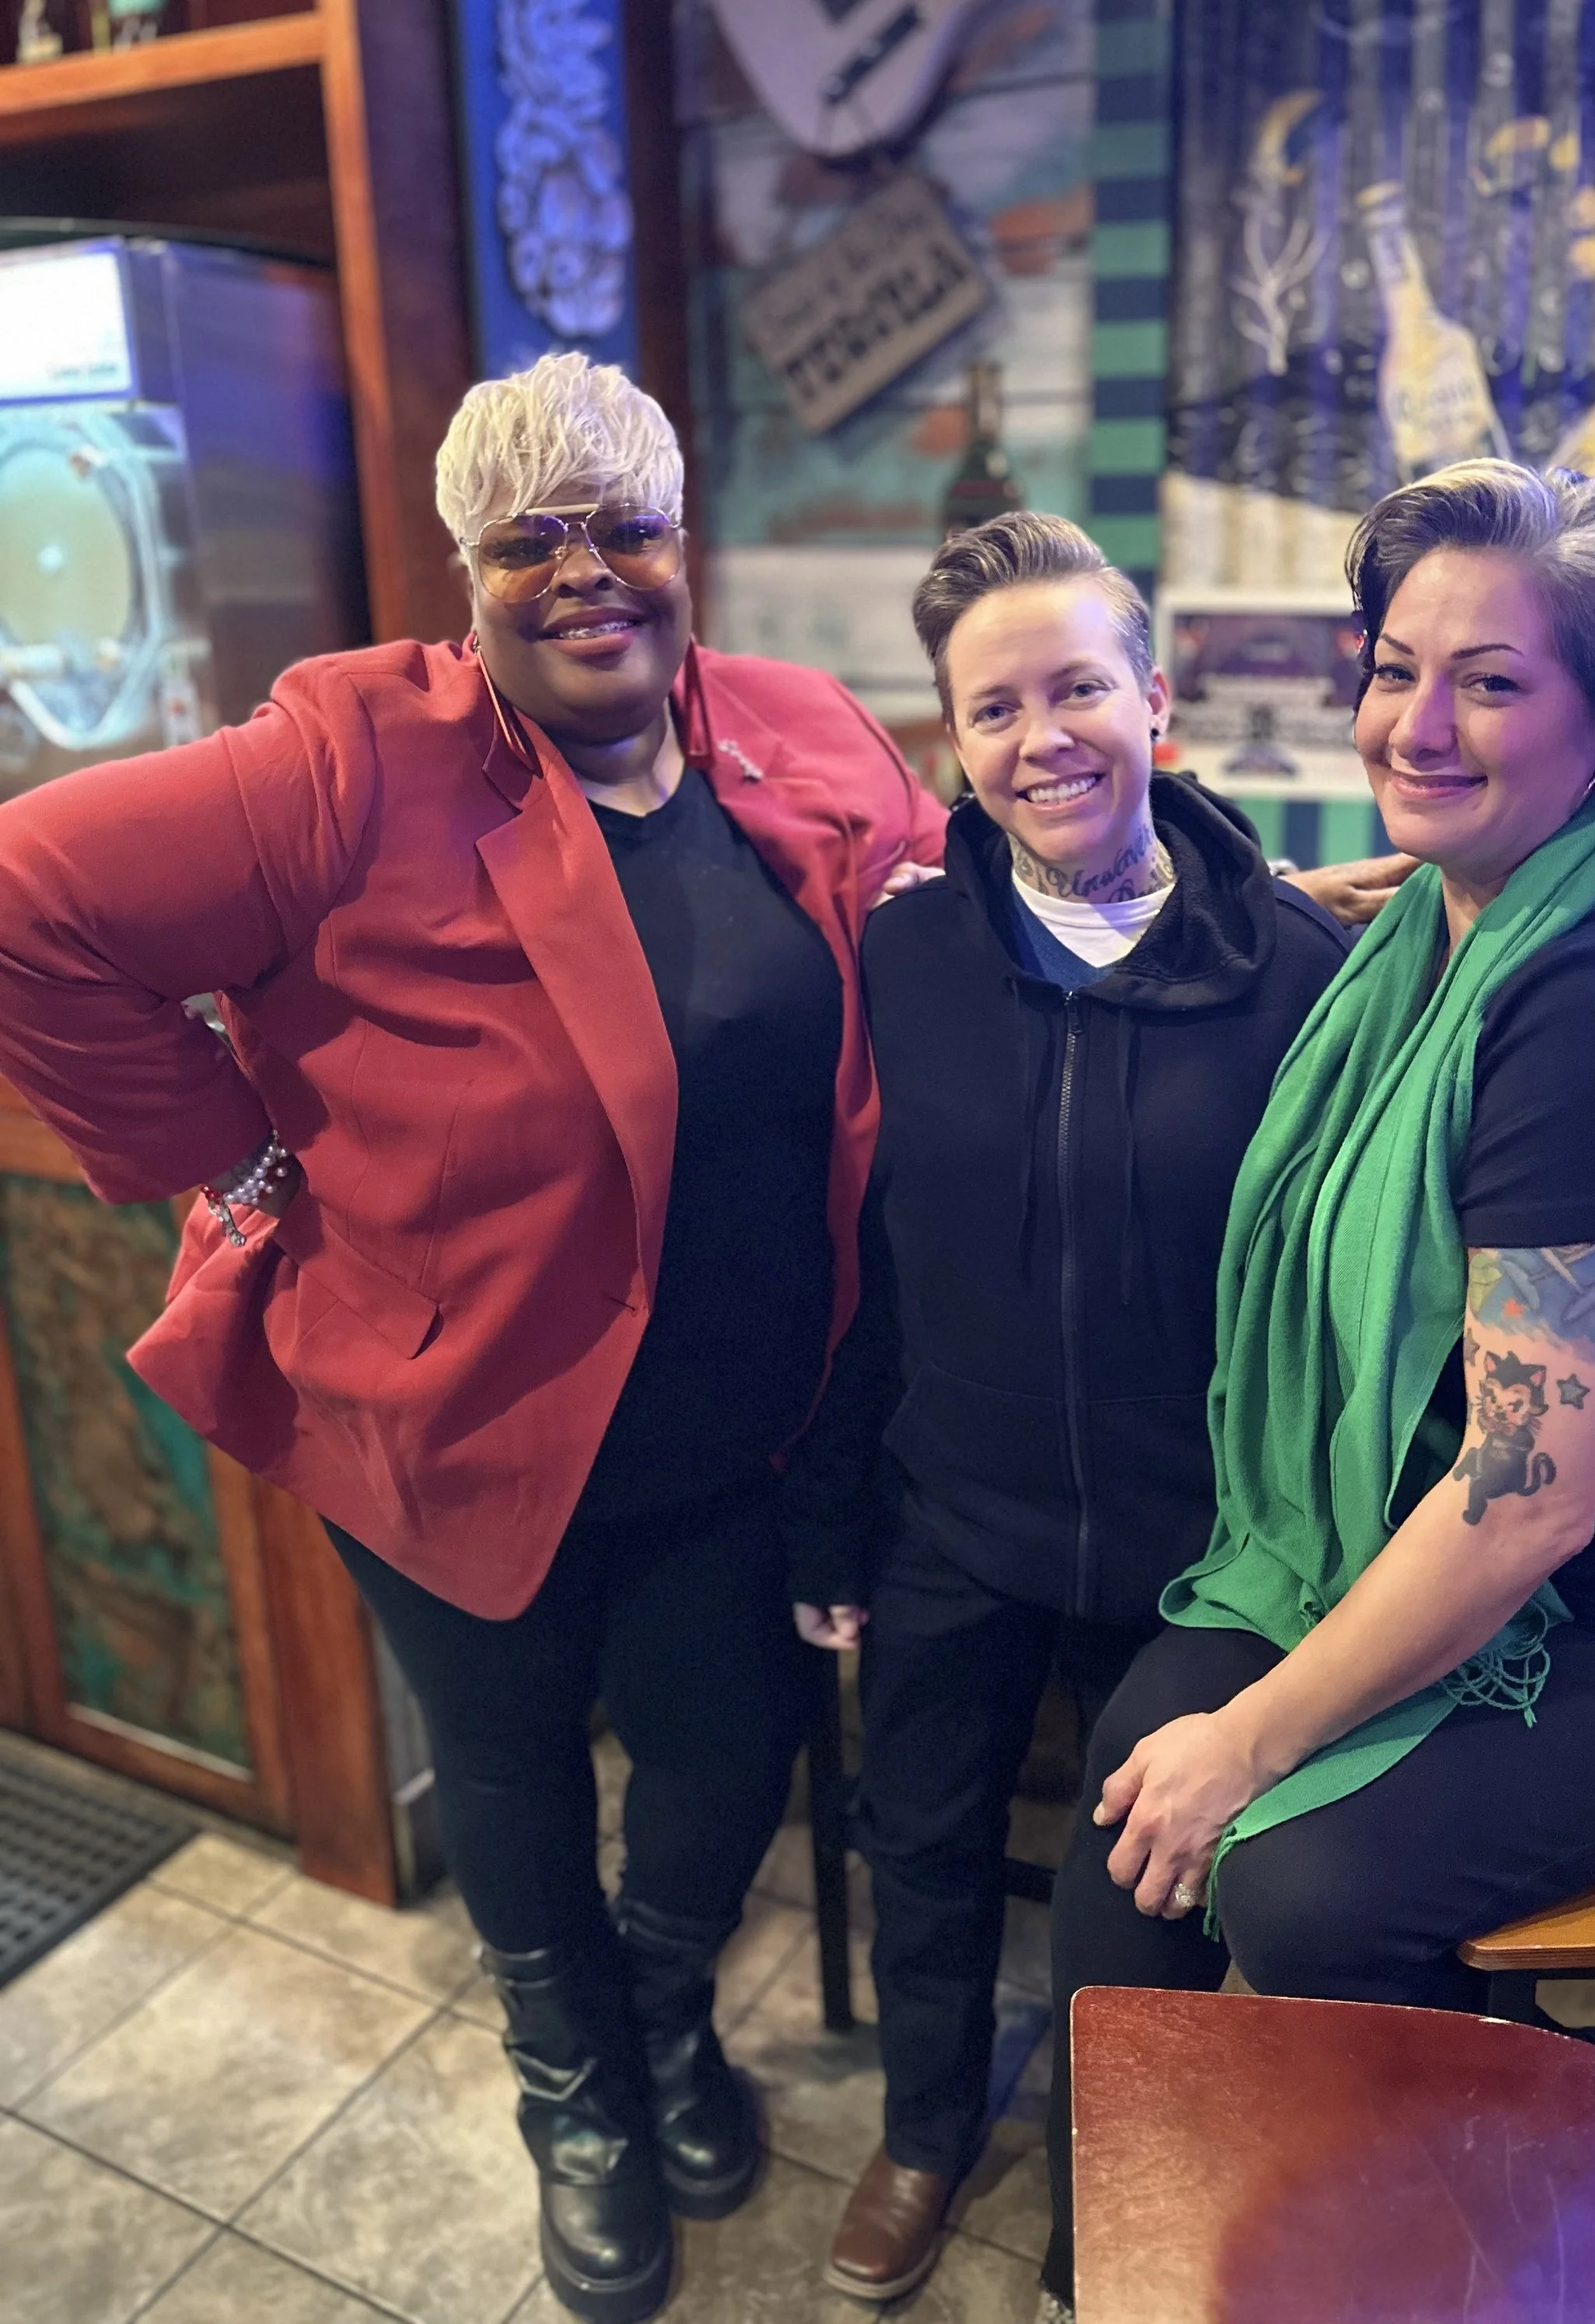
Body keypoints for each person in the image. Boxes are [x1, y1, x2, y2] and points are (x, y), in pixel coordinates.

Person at [0, 353, 946, 2324]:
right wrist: (223, 1147)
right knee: (508, 1765)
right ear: (469, 567)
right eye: (531, 540)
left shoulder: (799, 728)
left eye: (628, 526)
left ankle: (667, 2017)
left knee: (722, 1747)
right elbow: (26, 898)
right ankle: (577, 2092)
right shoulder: (348, 754)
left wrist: (1245, 902)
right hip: (442, 1403)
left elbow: (973, 906)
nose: (588, 572)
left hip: (739, 1413)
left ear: (686, 541)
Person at [1033, 460, 1595, 2317]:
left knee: (1299, 1888)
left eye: (1490, 683)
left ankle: (1493, 2267)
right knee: (1135, 1822)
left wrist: (1260, 1738)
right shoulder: (1440, 935)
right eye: (1388, 665)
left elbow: (1526, 1494)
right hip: (1506, 1554)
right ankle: (1120, 2269)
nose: (1411, 724)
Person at [782, 512, 1350, 2304]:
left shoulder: (1293, 972)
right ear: (951, 738)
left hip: (1200, 1554)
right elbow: (849, 1259)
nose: (1044, 740)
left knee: (1149, 1891)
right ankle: (928, 2130)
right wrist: (828, 1516)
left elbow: (1341, 1309)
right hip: (951, 1506)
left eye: (1079, 688)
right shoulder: (903, 960)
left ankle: (1118, 2174)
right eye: (994, 706)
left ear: (1154, 700)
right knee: (921, 1838)